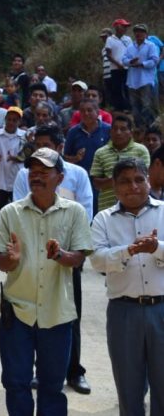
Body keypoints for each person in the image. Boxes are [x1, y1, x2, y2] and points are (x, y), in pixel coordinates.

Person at [0, 147, 92, 416]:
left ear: (60, 177)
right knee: (15, 382)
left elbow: (79, 258)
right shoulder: (10, 212)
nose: (36, 177)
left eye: (44, 172)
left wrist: (60, 254)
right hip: (18, 313)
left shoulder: (75, 212)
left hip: (57, 313)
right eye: (33, 172)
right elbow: (1, 262)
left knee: (53, 386)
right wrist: (11, 260)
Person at [12, 125, 95, 394]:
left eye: (47, 145)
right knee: (34, 315)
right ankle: (42, 371)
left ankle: (74, 371)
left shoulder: (78, 175)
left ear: (60, 148)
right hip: (30, 257)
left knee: (70, 314)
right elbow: (17, 214)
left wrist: (68, 252)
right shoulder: (24, 176)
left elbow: (85, 212)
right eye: (37, 145)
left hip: (67, 258)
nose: (40, 151)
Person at [89, 157, 164, 415]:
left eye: (138, 180)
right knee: (128, 388)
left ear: (147, 180)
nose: (133, 186)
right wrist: (127, 251)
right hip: (124, 312)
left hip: (161, 308)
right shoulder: (103, 219)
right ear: (114, 185)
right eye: (124, 181)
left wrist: (157, 248)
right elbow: (97, 261)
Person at [91, 115, 150, 212]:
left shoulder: (141, 151)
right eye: (115, 129)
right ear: (110, 131)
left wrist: (121, 180)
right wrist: (120, 179)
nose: (118, 132)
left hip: (138, 207)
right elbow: (96, 183)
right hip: (108, 209)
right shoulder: (100, 153)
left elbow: (144, 179)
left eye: (123, 129)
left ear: (131, 132)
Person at [64, 99, 112, 213]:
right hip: (80, 180)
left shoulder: (108, 130)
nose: (86, 114)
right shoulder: (73, 132)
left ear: (97, 112)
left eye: (89, 110)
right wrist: (76, 158)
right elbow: (65, 157)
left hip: (102, 181)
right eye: (82, 111)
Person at [0, 107, 26, 215]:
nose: (11, 122)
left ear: (19, 122)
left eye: (15, 120)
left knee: (17, 211)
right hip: (0, 180)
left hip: (17, 179)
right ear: (5, 119)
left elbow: (26, 156)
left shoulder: (24, 136)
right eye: (9, 119)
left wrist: (16, 158)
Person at [122, 23, 161, 129]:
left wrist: (142, 64)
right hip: (132, 81)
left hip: (145, 80)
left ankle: (150, 128)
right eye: (136, 31)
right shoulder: (130, 46)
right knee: (135, 107)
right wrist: (130, 61)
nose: (138, 33)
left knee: (146, 105)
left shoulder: (151, 45)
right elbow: (124, 60)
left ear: (146, 33)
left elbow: (154, 60)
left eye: (141, 31)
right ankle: (139, 128)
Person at [105, 19, 133, 112]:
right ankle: (119, 108)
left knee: (127, 88)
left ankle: (129, 107)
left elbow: (131, 52)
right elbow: (108, 55)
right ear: (117, 27)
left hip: (126, 67)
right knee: (116, 88)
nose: (125, 28)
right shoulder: (110, 39)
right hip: (115, 68)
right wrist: (117, 64)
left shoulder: (128, 39)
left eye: (126, 27)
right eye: (123, 26)